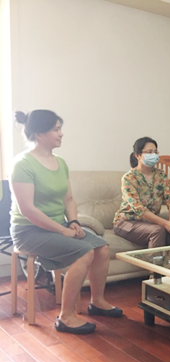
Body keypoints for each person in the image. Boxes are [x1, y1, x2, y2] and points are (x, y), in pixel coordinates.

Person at [10, 110, 122, 335]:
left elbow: (69, 199)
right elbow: (28, 210)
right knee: (84, 252)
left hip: (57, 225)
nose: (61, 134)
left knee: (101, 248)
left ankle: (97, 301)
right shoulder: (22, 164)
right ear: (39, 134)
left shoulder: (60, 162)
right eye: (56, 129)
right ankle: (66, 317)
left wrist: (73, 222)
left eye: (60, 128)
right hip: (29, 230)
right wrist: (62, 231)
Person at [113, 137, 170, 248]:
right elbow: (138, 208)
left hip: (147, 223)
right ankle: (153, 260)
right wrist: (165, 223)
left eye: (155, 152)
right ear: (137, 155)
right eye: (149, 152)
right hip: (125, 224)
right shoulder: (129, 178)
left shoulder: (161, 175)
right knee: (158, 230)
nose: (153, 155)